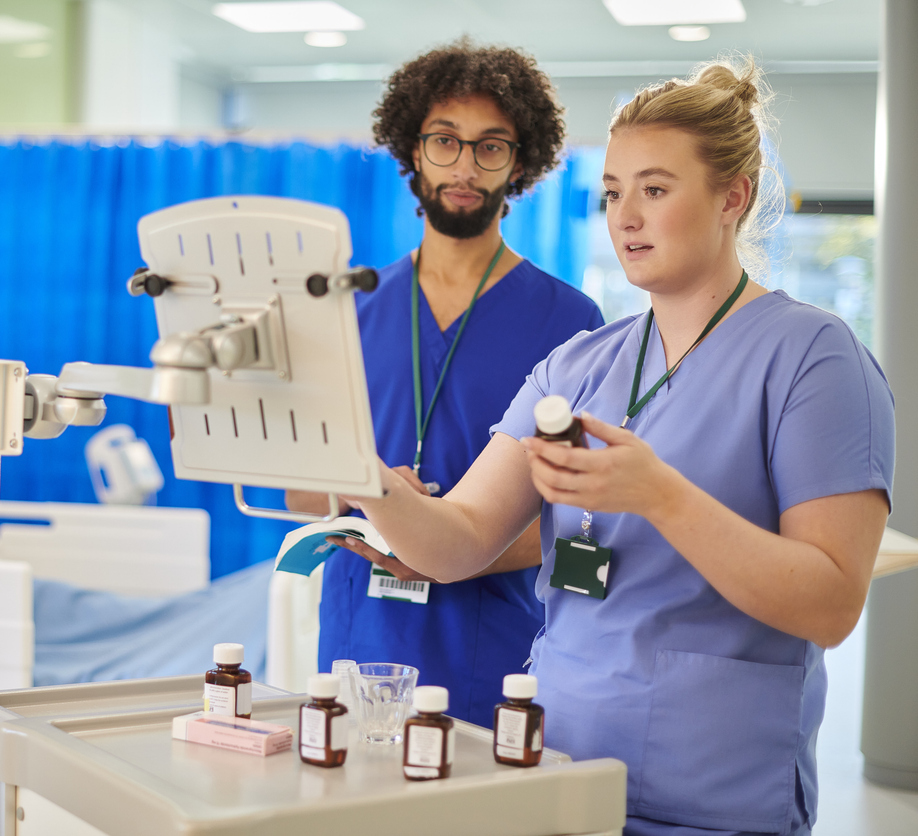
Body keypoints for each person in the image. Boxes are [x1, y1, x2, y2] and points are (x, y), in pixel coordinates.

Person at [343, 58, 892, 835]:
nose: (625, 216)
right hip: (557, 780)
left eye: (655, 190)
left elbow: (832, 604)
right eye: (612, 193)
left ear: (732, 197)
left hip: (714, 796)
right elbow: (459, 539)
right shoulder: (579, 362)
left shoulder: (814, 358)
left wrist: (659, 495)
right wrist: (361, 475)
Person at [286, 40, 604, 726]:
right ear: (412, 150)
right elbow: (298, 486)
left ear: (520, 162)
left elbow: (583, 524)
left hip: (495, 651)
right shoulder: (350, 308)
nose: (465, 166)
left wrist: (451, 552)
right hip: (357, 639)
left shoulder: (571, 322)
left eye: (491, 146)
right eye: (444, 142)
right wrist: (378, 502)